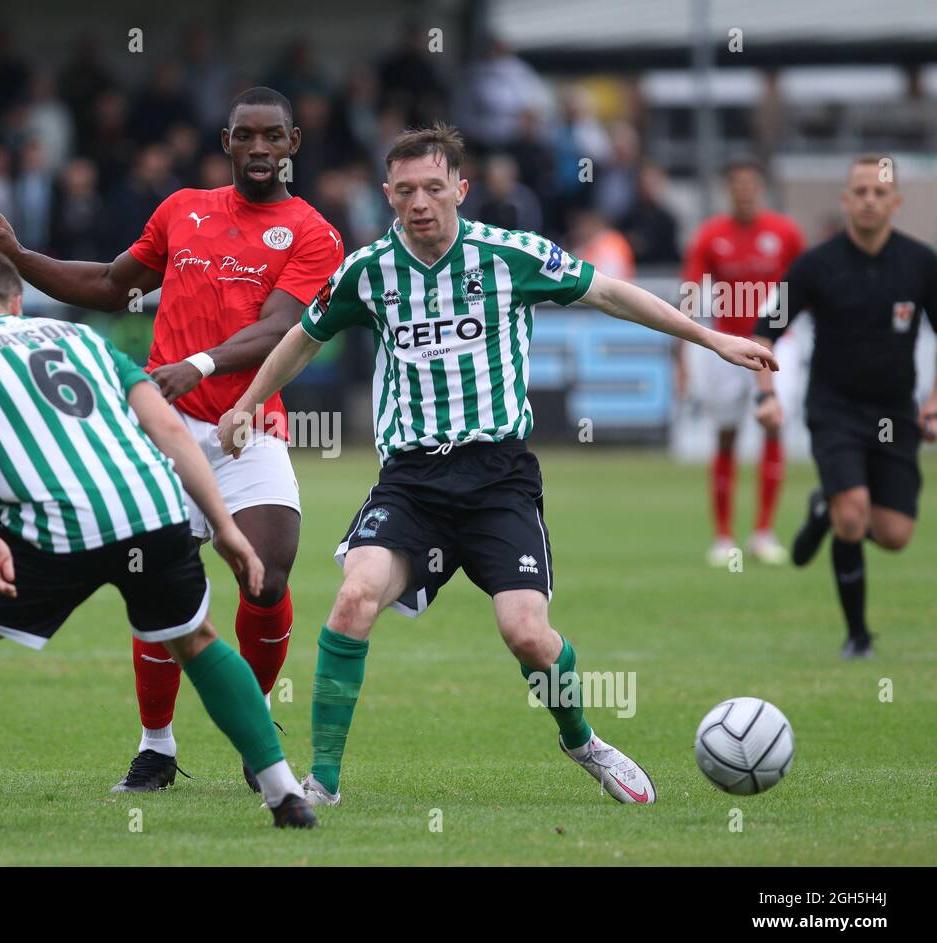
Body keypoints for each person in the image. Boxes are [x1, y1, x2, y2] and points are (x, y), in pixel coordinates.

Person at [216, 124, 776, 806]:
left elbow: (610, 293)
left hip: (497, 479)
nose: (419, 202)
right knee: (353, 599)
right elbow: (303, 338)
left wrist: (712, 337)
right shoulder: (368, 272)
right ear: (387, 196)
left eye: (432, 187)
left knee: (527, 635)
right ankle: (323, 783)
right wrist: (248, 403)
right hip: (413, 481)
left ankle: (582, 741)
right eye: (404, 190)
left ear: (460, 187)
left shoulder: (508, 255)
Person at [0, 250, 315, 834]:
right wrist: (226, 526)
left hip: (53, 524)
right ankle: (284, 792)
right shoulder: (82, 340)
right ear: (17, 303)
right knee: (200, 642)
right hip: (149, 509)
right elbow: (166, 426)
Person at [0, 88, 344, 793]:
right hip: (161, 431)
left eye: (272, 137)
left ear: (293, 145)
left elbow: (281, 328)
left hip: (247, 425)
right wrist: (16, 255)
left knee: (267, 575)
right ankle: (156, 747)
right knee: (154, 582)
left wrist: (197, 365)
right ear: (226, 143)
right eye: (245, 136)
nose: (258, 149)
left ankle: (252, 732)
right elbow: (108, 284)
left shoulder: (313, 233)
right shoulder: (182, 210)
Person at [752, 155, 937, 659]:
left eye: (880, 193)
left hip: (894, 413)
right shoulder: (816, 265)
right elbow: (765, 332)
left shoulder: (921, 263)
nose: (870, 201)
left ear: (895, 202)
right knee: (853, 518)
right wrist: (766, 394)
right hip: (833, 408)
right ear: (846, 200)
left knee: (896, 535)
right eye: (860, 192)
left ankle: (822, 508)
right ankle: (858, 637)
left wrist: (933, 404)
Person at [679, 159, 804, 566]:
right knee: (727, 434)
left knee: (772, 424)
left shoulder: (784, 233)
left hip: (776, 344)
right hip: (727, 346)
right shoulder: (711, 235)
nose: (744, 192)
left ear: (760, 189)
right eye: (737, 185)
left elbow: (804, 283)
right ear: (728, 190)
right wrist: (682, 347)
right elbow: (691, 289)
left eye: (751, 185)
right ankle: (723, 536)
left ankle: (764, 531)